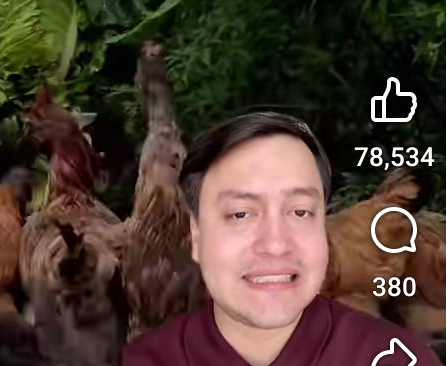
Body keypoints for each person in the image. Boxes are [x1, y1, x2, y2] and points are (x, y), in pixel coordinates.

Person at [124, 111, 440, 366]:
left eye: (300, 212)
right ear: (197, 235)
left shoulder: (396, 357)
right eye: (240, 214)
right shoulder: (143, 360)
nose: (275, 244)